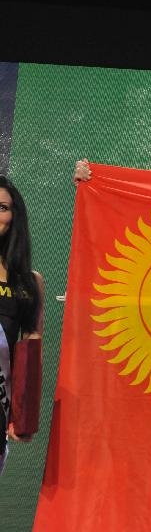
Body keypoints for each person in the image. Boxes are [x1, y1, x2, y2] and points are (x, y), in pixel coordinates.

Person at [0, 176, 44, 474]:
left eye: (2, 207)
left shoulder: (29, 283)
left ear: (14, 217)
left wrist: (23, 415)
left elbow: (30, 348)